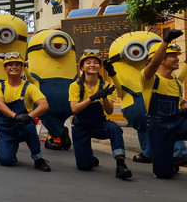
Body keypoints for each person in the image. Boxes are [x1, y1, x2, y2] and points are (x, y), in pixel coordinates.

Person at [69, 50, 132, 179]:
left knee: (114, 128)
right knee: (84, 166)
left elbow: (109, 111)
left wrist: (104, 97)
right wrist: (92, 98)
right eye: (88, 62)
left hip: (99, 124)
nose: (92, 65)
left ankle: (121, 164)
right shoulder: (75, 86)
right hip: (81, 126)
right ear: (82, 67)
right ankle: (88, 156)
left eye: (95, 63)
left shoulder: (106, 85)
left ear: (100, 67)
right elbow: (74, 109)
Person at [0, 53, 51, 171]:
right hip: (6, 128)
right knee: (5, 161)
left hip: (24, 126)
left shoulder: (30, 87)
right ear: (4, 68)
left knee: (30, 128)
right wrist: (15, 116)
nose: (14, 67)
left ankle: (38, 159)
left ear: (22, 68)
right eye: (10, 65)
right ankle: (10, 148)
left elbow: (44, 105)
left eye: (17, 65)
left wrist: (29, 116)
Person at [141, 29, 187, 179]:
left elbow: (181, 105)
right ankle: (170, 163)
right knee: (163, 173)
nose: (177, 59)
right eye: (172, 56)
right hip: (159, 129)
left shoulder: (177, 83)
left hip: (178, 124)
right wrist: (166, 40)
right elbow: (154, 63)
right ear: (162, 59)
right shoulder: (149, 79)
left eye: (177, 56)